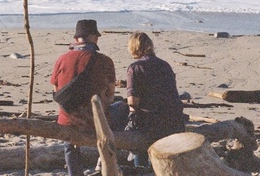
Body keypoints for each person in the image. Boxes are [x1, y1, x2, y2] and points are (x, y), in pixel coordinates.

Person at [51, 19, 128, 176]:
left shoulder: (62, 59)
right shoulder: (104, 61)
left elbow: (56, 90)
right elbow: (110, 96)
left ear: (76, 38)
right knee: (122, 107)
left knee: (69, 138)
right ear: (93, 37)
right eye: (96, 36)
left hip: (67, 120)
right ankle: (103, 160)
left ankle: (74, 172)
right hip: (94, 121)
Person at [125, 32, 186, 167]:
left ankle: (140, 167)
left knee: (136, 141)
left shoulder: (135, 68)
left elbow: (133, 102)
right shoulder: (165, 65)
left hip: (151, 122)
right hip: (174, 120)